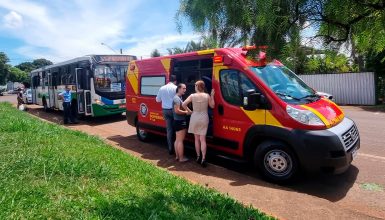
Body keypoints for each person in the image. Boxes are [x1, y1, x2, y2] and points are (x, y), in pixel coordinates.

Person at [182, 80, 215, 167]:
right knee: (203, 139)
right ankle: (204, 158)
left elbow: (183, 104)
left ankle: (198, 156)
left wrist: (190, 111)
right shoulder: (207, 95)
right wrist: (212, 95)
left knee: (196, 139)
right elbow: (212, 106)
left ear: (197, 87)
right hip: (204, 117)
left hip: (195, 117)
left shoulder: (192, 96)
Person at [156, 75, 178, 155]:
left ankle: (170, 148)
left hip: (165, 110)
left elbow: (158, 100)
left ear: (169, 80)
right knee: (176, 129)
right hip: (174, 110)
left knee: (169, 130)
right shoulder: (176, 88)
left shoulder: (162, 88)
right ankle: (177, 148)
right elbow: (179, 100)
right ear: (175, 81)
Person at [173, 83, 191, 162]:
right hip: (180, 121)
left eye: (185, 88)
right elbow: (177, 110)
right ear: (179, 89)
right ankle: (181, 158)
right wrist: (186, 112)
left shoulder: (178, 97)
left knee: (177, 140)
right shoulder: (177, 98)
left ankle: (177, 156)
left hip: (177, 121)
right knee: (180, 140)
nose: (185, 90)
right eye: (183, 88)